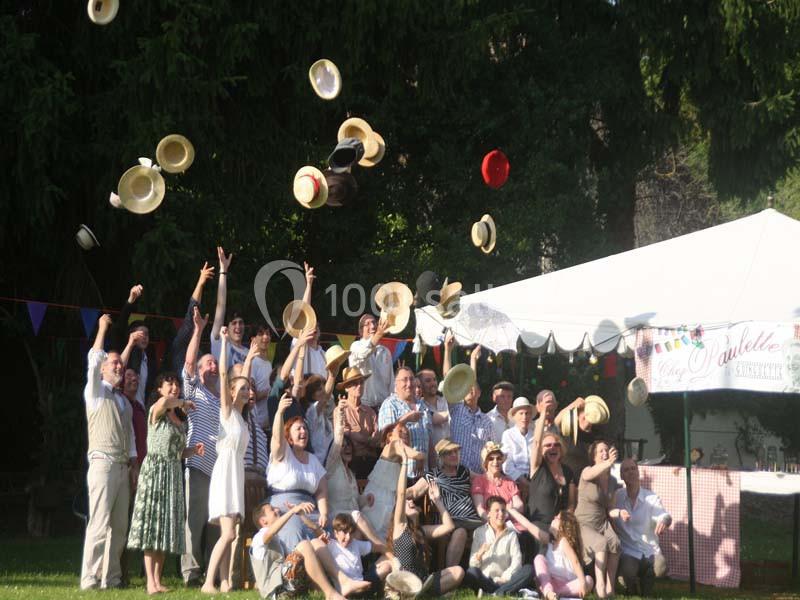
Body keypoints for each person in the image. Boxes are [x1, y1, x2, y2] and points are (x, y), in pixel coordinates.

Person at [127, 372, 204, 595]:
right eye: (169, 384)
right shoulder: (157, 410)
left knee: (165, 528)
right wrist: (182, 401)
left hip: (172, 473)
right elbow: (164, 403)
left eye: (176, 384)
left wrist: (193, 451)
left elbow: (178, 453)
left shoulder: (179, 417)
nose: (174, 387)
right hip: (155, 471)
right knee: (152, 527)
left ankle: (158, 580)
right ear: (159, 389)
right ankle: (150, 582)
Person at [80, 314, 138, 590]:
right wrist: (102, 328)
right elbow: (93, 361)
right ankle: (89, 578)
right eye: (113, 362)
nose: (119, 365)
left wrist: (133, 465)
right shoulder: (94, 391)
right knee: (100, 524)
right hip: (102, 463)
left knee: (120, 528)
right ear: (103, 369)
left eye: (120, 362)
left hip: (121, 467)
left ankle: (111, 579)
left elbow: (130, 438)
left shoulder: (124, 402)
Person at [201, 328, 252, 594]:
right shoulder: (227, 412)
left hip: (236, 474)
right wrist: (221, 345)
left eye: (248, 388)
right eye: (242, 388)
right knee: (229, 534)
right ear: (231, 392)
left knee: (229, 532)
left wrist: (251, 357)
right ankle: (209, 582)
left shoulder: (243, 421)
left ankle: (224, 582)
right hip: (224, 473)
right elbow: (223, 374)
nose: (247, 391)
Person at [388, 445, 465, 595]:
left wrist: (438, 501)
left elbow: (449, 526)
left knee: (458, 571)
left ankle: (422, 594)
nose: (411, 502)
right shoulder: (400, 527)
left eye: (412, 501)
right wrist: (405, 462)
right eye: (406, 503)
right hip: (405, 581)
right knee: (412, 586)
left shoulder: (421, 531)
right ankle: (419, 594)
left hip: (424, 581)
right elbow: (402, 494)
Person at [250, 502, 366, 600]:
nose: (277, 509)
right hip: (275, 591)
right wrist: (292, 511)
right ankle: (330, 593)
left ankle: (338, 583)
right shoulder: (258, 538)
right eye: (272, 510)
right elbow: (269, 533)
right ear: (263, 521)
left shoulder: (276, 540)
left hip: (286, 584)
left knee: (315, 542)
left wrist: (316, 547)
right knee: (305, 544)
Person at [181, 307, 220, 586]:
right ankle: (191, 573)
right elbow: (189, 362)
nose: (213, 367)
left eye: (215, 364)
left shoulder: (221, 399)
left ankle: (213, 572)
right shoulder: (193, 390)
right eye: (209, 363)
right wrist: (198, 330)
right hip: (196, 465)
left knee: (215, 523)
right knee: (194, 521)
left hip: (218, 470)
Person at [265, 390, 329, 550]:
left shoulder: (313, 459)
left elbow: (321, 491)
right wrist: (279, 413)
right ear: (289, 437)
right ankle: (295, 569)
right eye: (298, 429)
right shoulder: (283, 452)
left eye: (305, 429)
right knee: (295, 527)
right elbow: (277, 439)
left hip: (310, 509)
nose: (303, 432)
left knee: (327, 530)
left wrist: (324, 513)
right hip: (284, 507)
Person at [408, 439, 482, 567]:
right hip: (448, 520)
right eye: (449, 452)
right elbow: (414, 491)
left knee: (470, 530)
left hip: (470, 520)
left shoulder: (464, 471)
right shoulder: (433, 476)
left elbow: (483, 481)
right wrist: (397, 494)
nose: (454, 455)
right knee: (462, 531)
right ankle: (450, 574)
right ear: (441, 456)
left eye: (455, 451)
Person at [326, 396, 384, 546]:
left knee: (360, 530)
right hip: (336, 518)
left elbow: (356, 501)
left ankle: (366, 565)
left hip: (351, 521)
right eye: (344, 446)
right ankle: (382, 547)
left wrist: (365, 499)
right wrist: (340, 412)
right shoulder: (331, 466)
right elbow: (338, 440)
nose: (346, 448)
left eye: (349, 446)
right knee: (358, 516)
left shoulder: (351, 474)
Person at [613, 458, 672, 596]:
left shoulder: (651, 497)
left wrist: (665, 521)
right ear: (621, 476)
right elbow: (607, 513)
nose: (631, 472)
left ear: (638, 472)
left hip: (649, 550)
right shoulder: (617, 497)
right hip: (628, 552)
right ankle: (630, 586)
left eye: (633, 469)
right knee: (627, 571)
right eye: (626, 470)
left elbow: (664, 515)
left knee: (661, 566)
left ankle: (647, 586)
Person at [574, 440, 624, 599]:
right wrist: (608, 462)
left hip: (602, 523)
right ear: (594, 457)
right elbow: (589, 474)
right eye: (601, 451)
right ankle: (599, 586)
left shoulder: (613, 481)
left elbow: (610, 508)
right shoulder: (587, 472)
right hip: (583, 523)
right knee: (601, 543)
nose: (605, 454)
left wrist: (620, 512)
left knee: (615, 542)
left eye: (607, 450)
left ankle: (610, 587)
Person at [360, 423, 425, 542]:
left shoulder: (400, 458)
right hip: (376, 498)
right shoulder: (393, 445)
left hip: (388, 498)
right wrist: (421, 458)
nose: (404, 435)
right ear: (389, 437)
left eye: (407, 434)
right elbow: (416, 454)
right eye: (400, 432)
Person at [464, 496, 534, 596]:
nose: (501, 514)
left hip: (505, 580)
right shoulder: (479, 532)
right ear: (488, 513)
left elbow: (516, 562)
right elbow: (472, 565)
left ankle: (495, 593)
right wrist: (479, 554)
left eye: (503, 510)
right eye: (497, 510)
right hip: (485, 580)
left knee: (529, 569)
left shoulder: (511, 534)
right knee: (472, 572)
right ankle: (503, 591)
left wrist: (504, 578)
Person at [528, 405, 577, 533]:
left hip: (562, 525)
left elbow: (571, 503)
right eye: (548, 446)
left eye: (556, 445)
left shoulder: (568, 472)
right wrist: (543, 413)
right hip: (539, 526)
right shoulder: (538, 467)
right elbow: (536, 443)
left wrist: (565, 517)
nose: (552, 448)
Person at [377, 366, 433, 479]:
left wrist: (433, 472)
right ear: (395, 384)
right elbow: (387, 439)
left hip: (423, 477)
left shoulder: (423, 406)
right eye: (404, 380)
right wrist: (405, 419)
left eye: (412, 379)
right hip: (398, 476)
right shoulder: (390, 405)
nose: (409, 383)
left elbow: (430, 444)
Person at [448, 346, 494, 473]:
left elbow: (491, 451)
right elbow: (447, 378)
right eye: (466, 387)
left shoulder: (487, 422)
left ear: (479, 393)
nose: (470, 389)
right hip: (455, 473)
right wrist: (448, 350)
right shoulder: (456, 409)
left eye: (473, 388)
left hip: (478, 477)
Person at [534, 510, 594, 600]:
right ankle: (548, 591)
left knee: (589, 580)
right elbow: (532, 529)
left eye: (557, 518)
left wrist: (582, 582)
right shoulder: (550, 543)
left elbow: (575, 562)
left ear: (563, 526)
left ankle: (554, 594)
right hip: (551, 582)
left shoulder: (563, 541)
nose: (554, 517)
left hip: (568, 585)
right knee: (539, 558)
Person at [109, 284, 154, 404]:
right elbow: (117, 329)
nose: (145, 337)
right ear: (131, 335)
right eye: (141, 334)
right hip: (123, 406)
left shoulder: (149, 359)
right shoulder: (126, 351)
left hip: (141, 410)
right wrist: (130, 301)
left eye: (147, 334)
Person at [328, 513, 390, 593]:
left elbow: (375, 547)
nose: (348, 537)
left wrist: (389, 552)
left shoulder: (355, 543)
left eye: (350, 533)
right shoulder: (331, 545)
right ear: (336, 533)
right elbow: (319, 550)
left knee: (387, 565)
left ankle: (370, 588)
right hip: (344, 585)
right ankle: (356, 590)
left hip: (361, 580)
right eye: (345, 533)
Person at [210, 246, 249, 367]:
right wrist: (223, 271)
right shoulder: (220, 342)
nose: (238, 326)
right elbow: (220, 305)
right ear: (226, 327)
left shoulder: (249, 353)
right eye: (234, 323)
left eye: (241, 322)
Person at [471, 442, 525, 530]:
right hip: (490, 524)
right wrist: (494, 520)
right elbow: (480, 509)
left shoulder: (509, 481)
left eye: (498, 458)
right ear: (485, 462)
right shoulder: (479, 481)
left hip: (512, 523)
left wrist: (506, 514)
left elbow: (519, 505)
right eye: (491, 459)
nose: (495, 462)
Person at [339, 367, 380, 479]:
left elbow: (377, 437)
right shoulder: (341, 410)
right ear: (346, 388)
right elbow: (345, 434)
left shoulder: (370, 411)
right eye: (355, 384)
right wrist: (368, 440)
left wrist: (359, 437)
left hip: (371, 461)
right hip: (352, 462)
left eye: (361, 383)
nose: (360, 386)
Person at [348, 314, 393, 409]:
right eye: (367, 324)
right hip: (363, 406)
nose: (372, 326)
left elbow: (391, 382)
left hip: (384, 407)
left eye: (374, 322)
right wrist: (378, 335)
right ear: (360, 331)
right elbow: (363, 354)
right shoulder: (355, 346)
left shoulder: (385, 351)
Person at [555, 396, 599, 481]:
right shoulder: (568, 432)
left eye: (590, 414)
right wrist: (573, 405)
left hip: (586, 484)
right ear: (578, 416)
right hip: (566, 480)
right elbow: (555, 423)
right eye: (585, 414)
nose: (587, 418)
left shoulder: (596, 438)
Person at [501, 397, 534, 501]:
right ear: (514, 416)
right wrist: (524, 482)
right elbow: (506, 464)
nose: (524, 417)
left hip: (534, 481)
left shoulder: (535, 435)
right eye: (521, 413)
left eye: (527, 413)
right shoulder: (508, 435)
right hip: (514, 482)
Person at [302, 371, 336, 462]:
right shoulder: (311, 411)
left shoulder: (323, 414)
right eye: (319, 389)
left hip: (330, 461)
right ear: (312, 395)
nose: (323, 391)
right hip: (319, 461)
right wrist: (332, 376)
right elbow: (325, 398)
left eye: (324, 388)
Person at [418, 368, 449, 448]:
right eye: (428, 381)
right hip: (431, 458)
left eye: (434, 380)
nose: (433, 383)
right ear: (420, 384)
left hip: (452, 456)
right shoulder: (419, 407)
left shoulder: (447, 401)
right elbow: (435, 418)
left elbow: (448, 376)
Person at [250, 324, 273, 429]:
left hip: (268, 423)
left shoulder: (268, 363)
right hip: (256, 424)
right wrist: (271, 391)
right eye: (261, 334)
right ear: (253, 339)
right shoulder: (252, 362)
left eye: (267, 334)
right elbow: (251, 396)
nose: (265, 337)